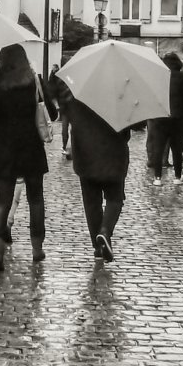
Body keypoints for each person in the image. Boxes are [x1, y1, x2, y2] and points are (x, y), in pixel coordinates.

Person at [0, 43, 49, 271]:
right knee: (36, 199)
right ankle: (37, 249)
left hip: (5, 147)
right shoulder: (34, 81)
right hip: (31, 146)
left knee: (2, 201)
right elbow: (53, 113)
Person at [69, 97, 131, 262]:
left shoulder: (79, 97)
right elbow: (127, 130)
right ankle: (105, 231)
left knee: (91, 203)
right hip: (113, 156)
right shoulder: (120, 97)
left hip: (86, 156)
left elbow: (73, 125)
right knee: (115, 199)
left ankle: (98, 247)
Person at [148, 53, 183, 184]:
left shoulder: (157, 77)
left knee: (159, 147)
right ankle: (178, 177)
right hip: (177, 117)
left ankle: (157, 177)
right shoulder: (182, 77)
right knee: (176, 148)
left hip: (160, 116)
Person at [48, 65, 73, 159]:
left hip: (68, 108)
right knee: (65, 129)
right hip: (67, 108)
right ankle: (65, 146)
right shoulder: (62, 80)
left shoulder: (65, 79)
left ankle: (67, 147)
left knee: (68, 129)